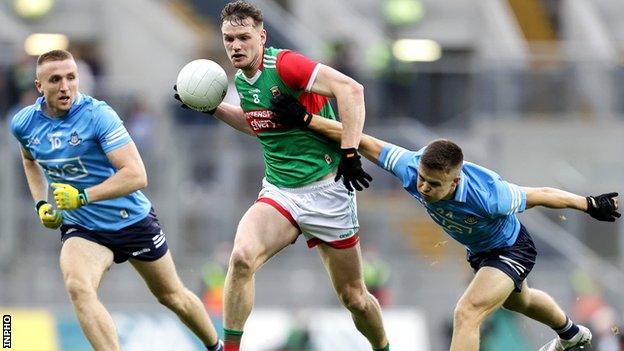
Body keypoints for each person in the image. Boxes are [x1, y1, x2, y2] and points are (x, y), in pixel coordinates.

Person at [268, 94, 621, 351]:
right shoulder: (411, 168)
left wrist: (588, 204)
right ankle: (572, 334)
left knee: (466, 312)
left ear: (455, 181)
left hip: (512, 248)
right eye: (422, 179)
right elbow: (363, 140)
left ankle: (571, 335)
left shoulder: (490, 195)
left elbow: (541, 193)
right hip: (480, 251)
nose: (423, 187)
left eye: (434, 184)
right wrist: (305, 119)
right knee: (519, 301)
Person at [174, 2, 389, 350]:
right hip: (280, 192)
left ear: (262, 36)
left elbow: (352, 90)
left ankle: (383, 347)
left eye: (244, 37)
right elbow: (260, 124)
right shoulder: (242, 80)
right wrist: (213, 108)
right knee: (241, 258)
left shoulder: (286, 65)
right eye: (229, 39)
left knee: (355, 298)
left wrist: (350, 152)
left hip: (327, 190)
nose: (235, 46)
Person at [10, 49, 223, 351]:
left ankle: (217, 346)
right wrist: (41, 202)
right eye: (55, 80)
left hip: (131, 220)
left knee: (172, 296)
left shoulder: (98, 115)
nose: (65, 86)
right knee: (79, 287)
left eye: (71, 77)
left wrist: (82, 196)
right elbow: (29, 158)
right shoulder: (24, 123)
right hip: (84, 228)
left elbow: (137, 175)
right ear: (39, 86)